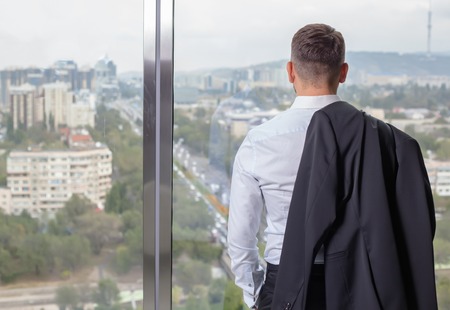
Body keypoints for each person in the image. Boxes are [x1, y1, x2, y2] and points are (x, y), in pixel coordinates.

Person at [227, 23, 349, 310]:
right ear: (343, 72)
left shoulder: (259, 142)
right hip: (355, 281)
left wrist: (257, 293)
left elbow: (242, 238)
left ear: (291, 71)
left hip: (284, 281)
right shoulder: (375, 136)